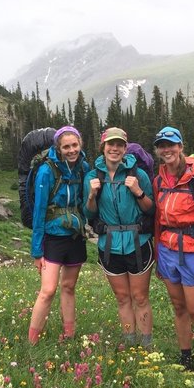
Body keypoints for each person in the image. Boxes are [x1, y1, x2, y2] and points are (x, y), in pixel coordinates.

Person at [152, 126, 194, 371]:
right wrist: (159, 257)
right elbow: (158, 221)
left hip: (192, 255)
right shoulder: (159, 180)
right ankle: (186, 360)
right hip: (168, 253)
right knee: (179, 308)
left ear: (180, 147)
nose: (166, 149)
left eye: (171, 144)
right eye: (162, 145)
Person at [84, 127, 156, 348]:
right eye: (110, 144)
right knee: (123, 298)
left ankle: (146, 346)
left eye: (119, 145)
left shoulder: (139, 175)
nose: (114, 149)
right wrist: (91, 195)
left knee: (141, 298)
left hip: (138, 243)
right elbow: (89, 214)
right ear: (103, 147)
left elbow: (151, 210)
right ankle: (129, 343)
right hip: (109, 246)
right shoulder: (92, 177)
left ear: (125, 148)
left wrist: (138, 192)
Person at [28, 125, 89, 345]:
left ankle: (69, 336)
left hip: (74, 236)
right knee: (48, 290)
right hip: (53, 237)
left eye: (74, 145)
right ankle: (32, 342)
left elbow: (85, 202)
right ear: (59, 148)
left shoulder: (83, 167)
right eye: (66, 147)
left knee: (69, 287)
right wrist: (37, 251)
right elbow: (39, 212)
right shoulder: (47, 171)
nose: (71, 150)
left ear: (80, 144)